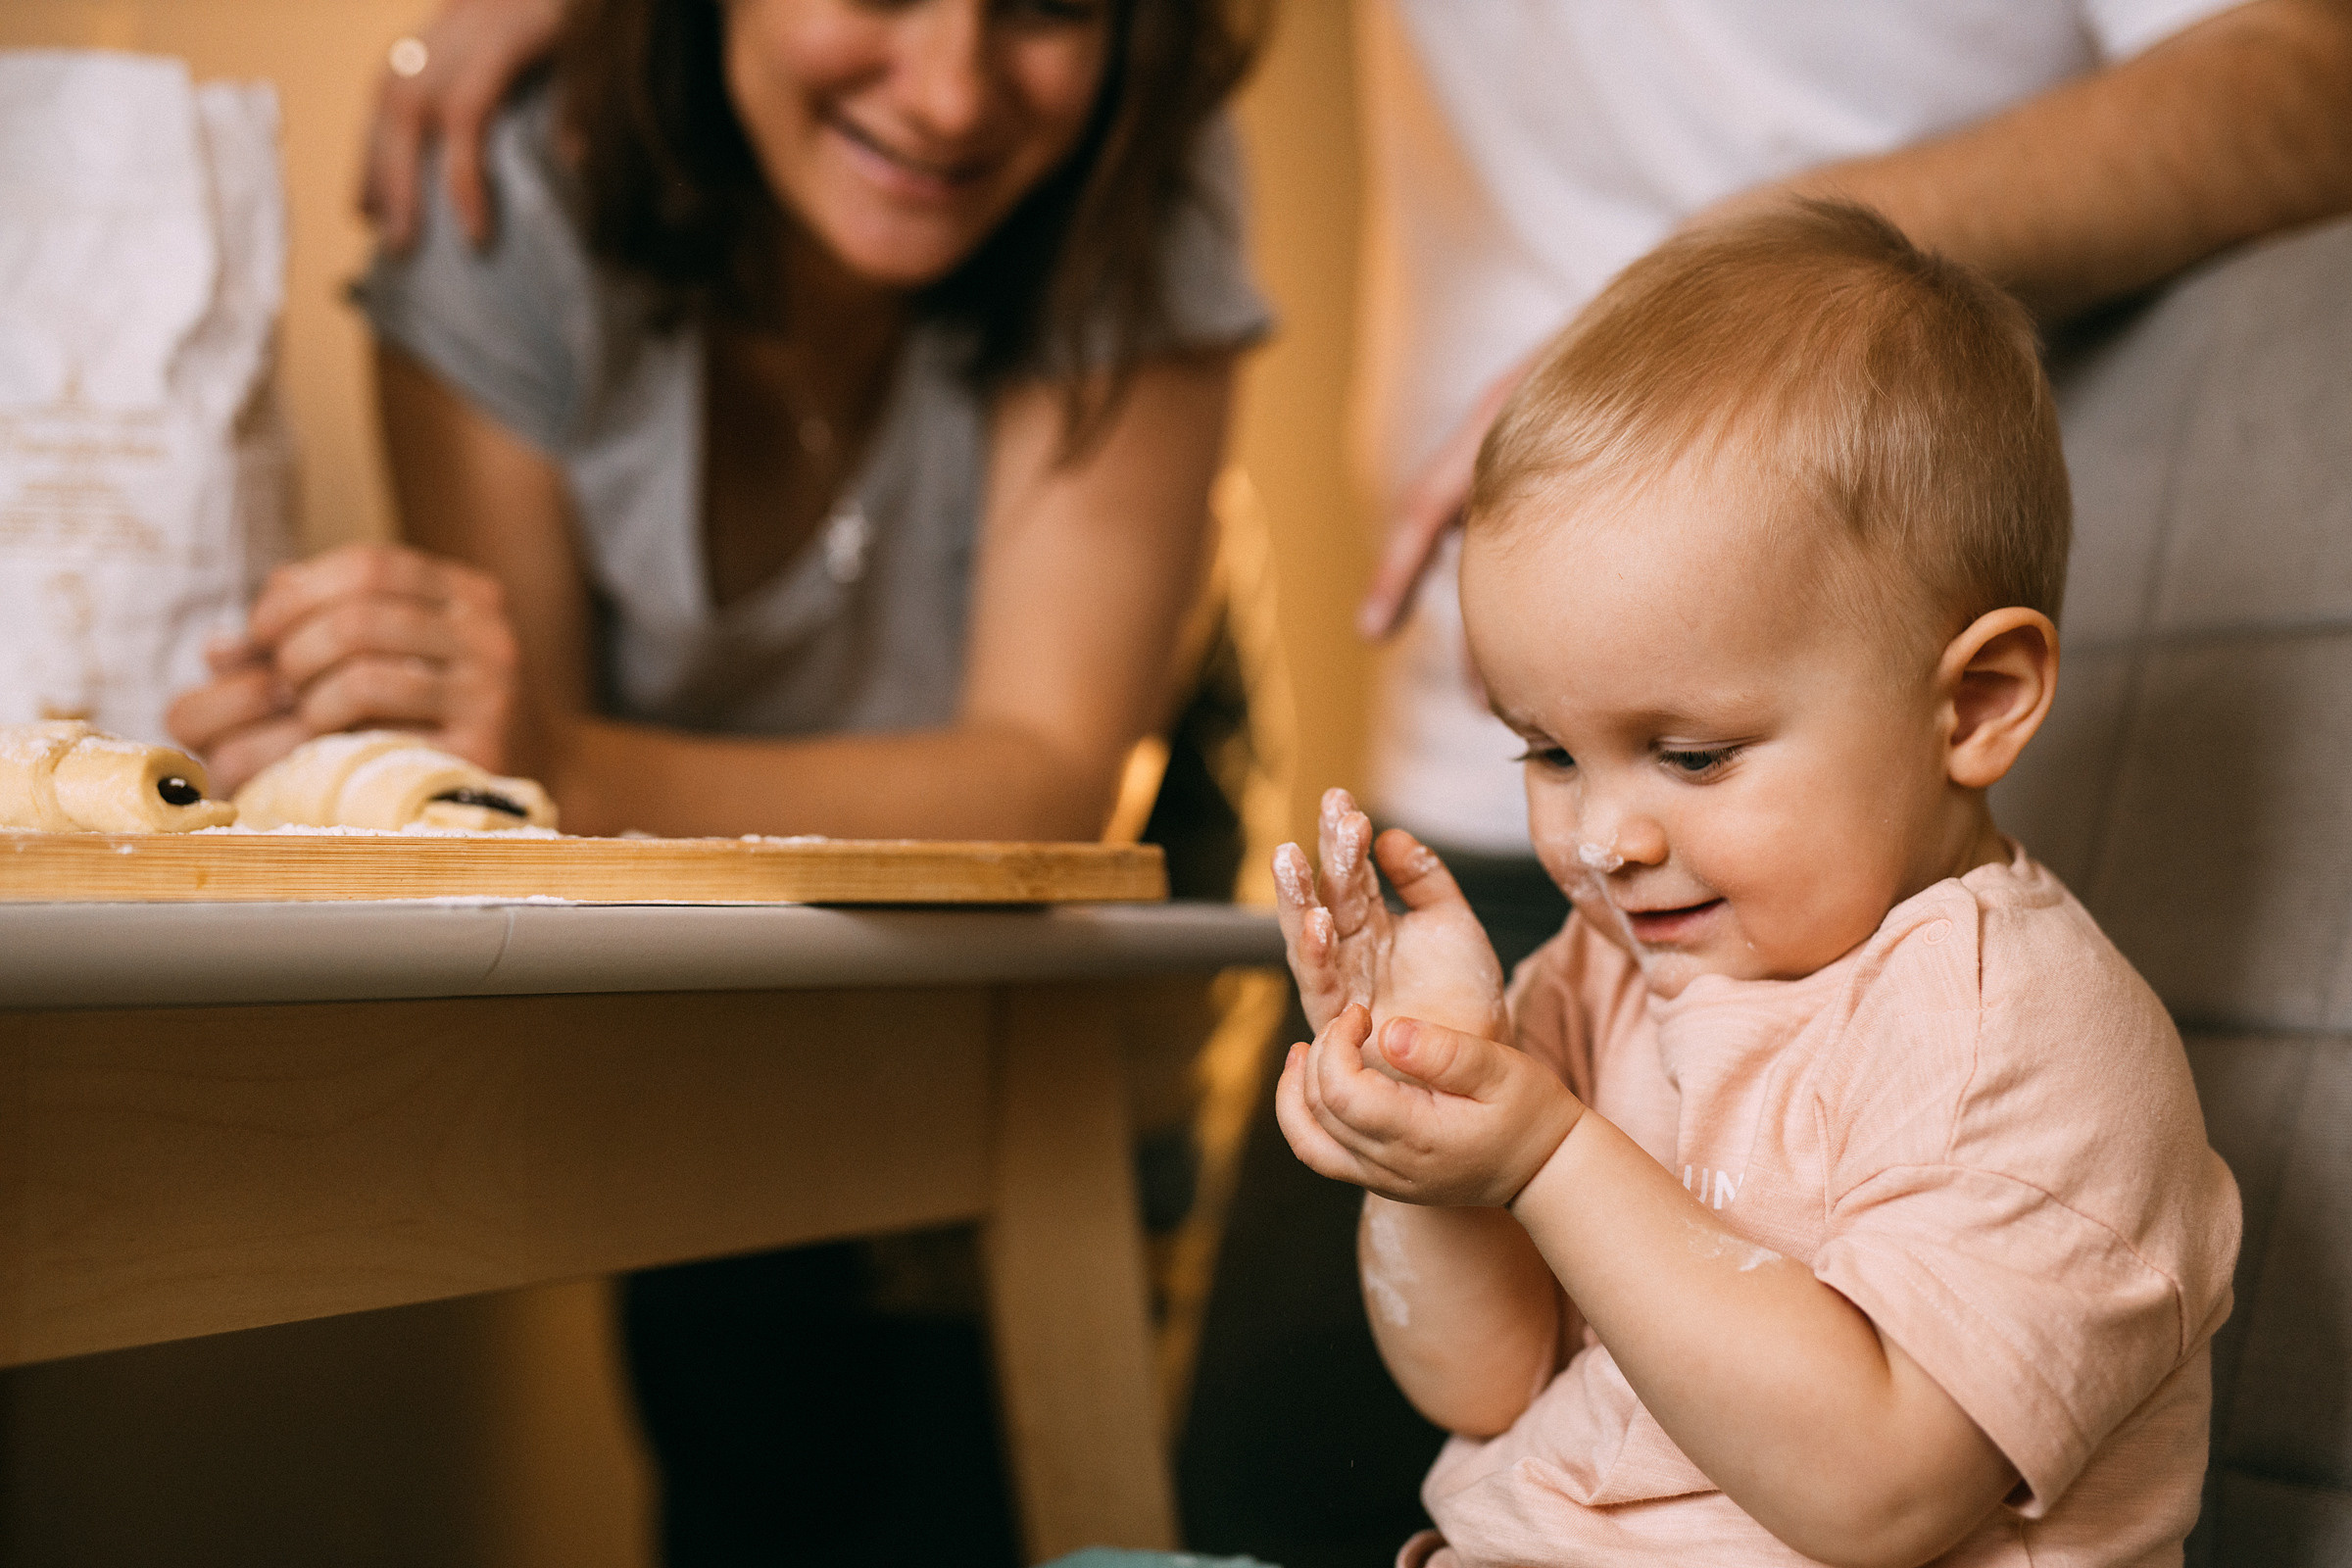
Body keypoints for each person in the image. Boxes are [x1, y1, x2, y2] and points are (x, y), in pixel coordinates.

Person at [165, 3, 1272, 1561]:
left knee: (1039, 1448)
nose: (952, 93)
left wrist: (557, 760)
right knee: (757, 1431)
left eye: (1045, 6)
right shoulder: (497, 186)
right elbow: (518, 820)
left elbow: (1043, 783)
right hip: (677, 900)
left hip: (1090, 867)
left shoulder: (1134, 155)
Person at [1271, 203, 2241, 1565]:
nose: (1602, 838)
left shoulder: (2023, 1043)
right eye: (1548, 749)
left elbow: (1880, 1492)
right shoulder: (1614, 968)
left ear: (1975, 704)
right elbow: (1477, 1386)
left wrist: (1546, 1155)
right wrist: (1426, 1137)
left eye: (1691, 755)